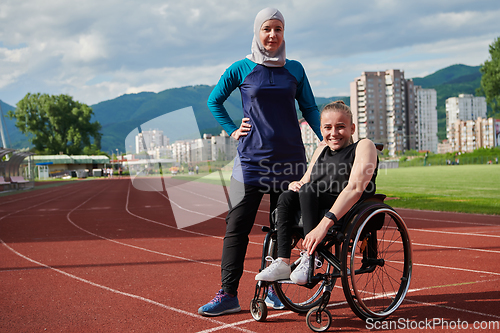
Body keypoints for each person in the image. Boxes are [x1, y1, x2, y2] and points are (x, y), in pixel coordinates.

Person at [198, 7, 322, 316]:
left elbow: (310, 108)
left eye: (278, 29)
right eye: (267, 28)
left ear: (283, 34)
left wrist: (330, 139)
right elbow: (214, 100)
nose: (272, 34)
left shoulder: (295, 69)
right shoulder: (241, 68)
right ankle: (228, 294)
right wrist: (231, 130)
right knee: (236, 227)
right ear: (257, 32)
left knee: (284, 228)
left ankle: (271, 292)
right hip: (250, 162)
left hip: (290, 162)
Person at [255, 101, 378, 285]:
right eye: (328, 127)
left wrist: (323, 226)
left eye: (340, 127)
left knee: (309, 190)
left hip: (344, 209)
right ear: (321, 129)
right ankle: (282, 261)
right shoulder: (320, 150)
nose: (333, 133)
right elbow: (305, 181)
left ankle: (310, 258)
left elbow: (355, 188)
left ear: (352, 128)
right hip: (314, 203)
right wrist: (295, 184)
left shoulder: (364, 146)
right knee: (287, 196)